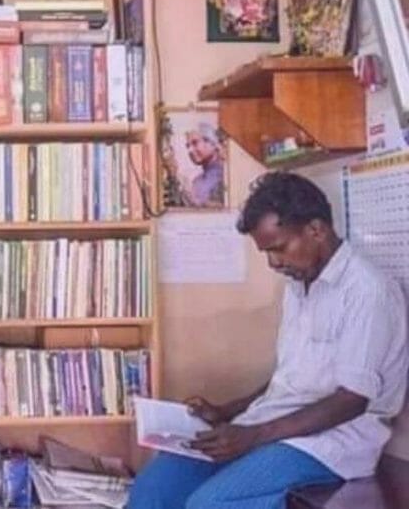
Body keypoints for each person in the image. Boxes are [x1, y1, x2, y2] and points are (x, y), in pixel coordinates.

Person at [128, 172, 408, 509]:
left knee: (210, 503)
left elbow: (351, 400)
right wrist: (226, 412)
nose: (274, 263)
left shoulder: (367, 292)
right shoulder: (299, 285)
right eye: (266, 253)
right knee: (155, 486)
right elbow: (290, 379)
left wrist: (253, 436)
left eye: (278, 248)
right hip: (271, 424)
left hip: (331, 443)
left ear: (316, 230)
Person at [183, 122, 225, 207]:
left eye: (195, 143)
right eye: (188, 146)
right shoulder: (196, 181)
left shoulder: (227, 177)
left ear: (212, 144)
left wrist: (197, 203)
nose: (190, 150)